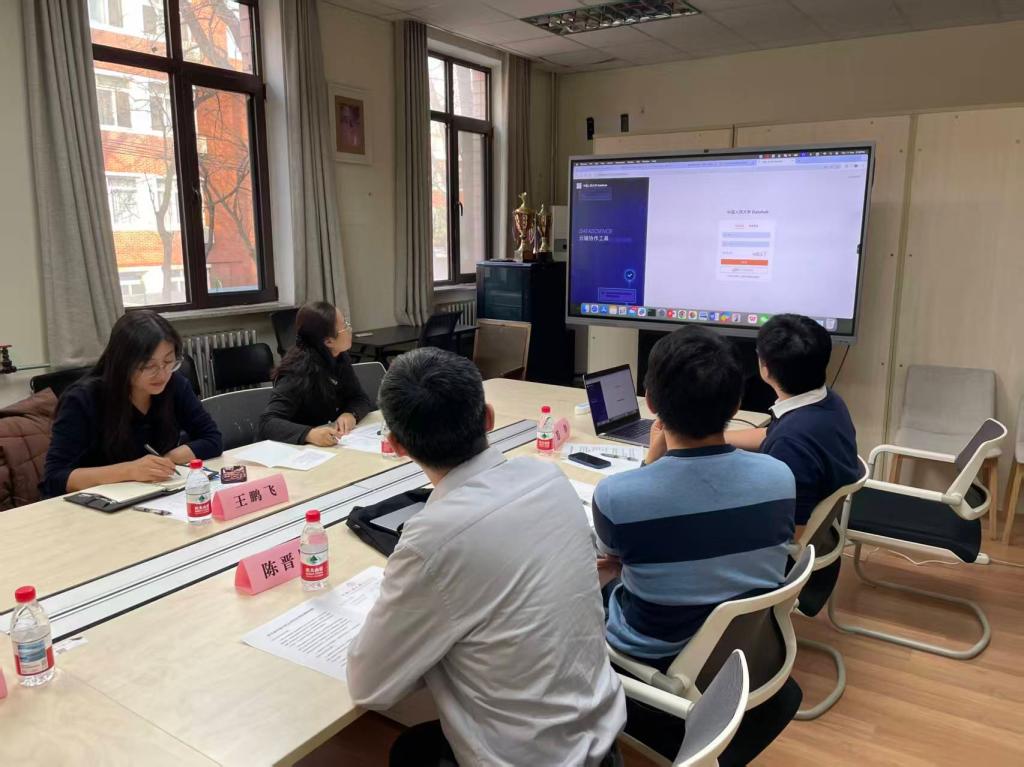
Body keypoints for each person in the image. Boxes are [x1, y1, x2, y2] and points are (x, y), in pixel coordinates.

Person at [346, 348, 625, 767]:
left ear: (397, 446)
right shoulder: (548, 477)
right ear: (489, 418)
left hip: (530, 758)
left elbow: (369, 687)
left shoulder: (431, 541)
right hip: (602, 739)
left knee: (410, 749)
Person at [593, 326, 798, 765]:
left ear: (651, 404)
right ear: (736, 405)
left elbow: (615, 556)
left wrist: (650, 463)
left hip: (657, 650)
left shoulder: (617, 498)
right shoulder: (780, 476)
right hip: (746, 646)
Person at [41, 311, 222, 497]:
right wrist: (130, 471)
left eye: (169, 361)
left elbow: (212, 439)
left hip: (153, 495)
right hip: (97, 501)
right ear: (123, 363)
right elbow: (55, 478)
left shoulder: (175, 385)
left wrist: (166, 461)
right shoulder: (83, 399)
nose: (162, 374)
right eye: (149, 366)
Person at [726, 314, 860, 525]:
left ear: (765, 368)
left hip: (788, 538)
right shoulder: (828, 402)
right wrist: (714, 438)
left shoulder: (790, 444)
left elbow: (791, 532)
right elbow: (770, 434)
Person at [258, 302, 372, 446]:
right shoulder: (297, 371)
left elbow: (359, 398)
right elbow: (267, 423)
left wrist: (351, 414)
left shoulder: (339, 357)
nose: (350, 329)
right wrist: (309, 434)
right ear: (329, 341)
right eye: (345, 326)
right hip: (296, 450)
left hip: (330, 443)